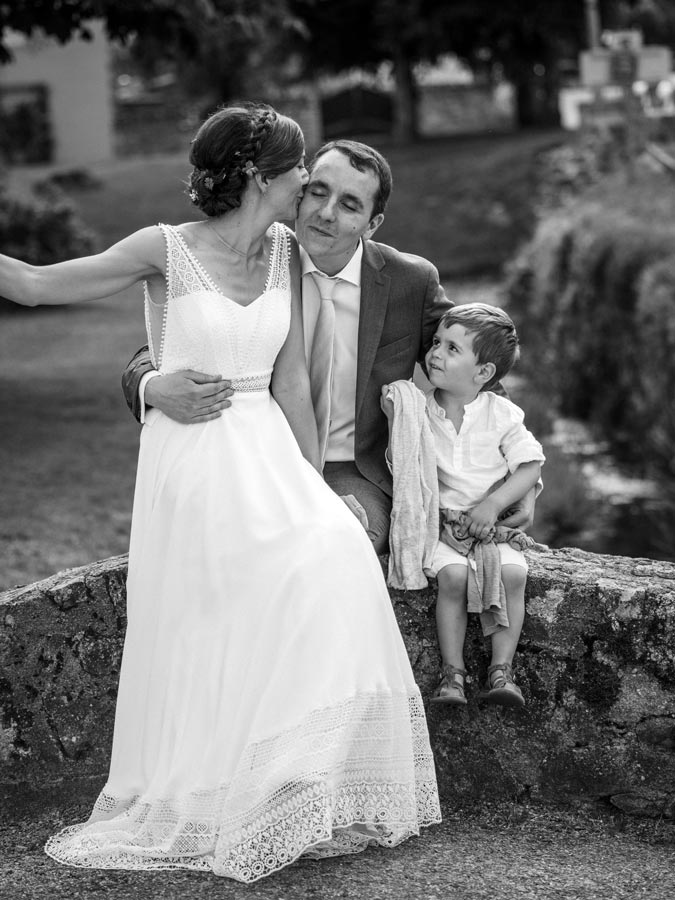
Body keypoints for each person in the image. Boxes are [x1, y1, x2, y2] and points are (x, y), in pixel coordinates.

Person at [0, 103, 441, 882]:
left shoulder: (283, 252)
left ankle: (294, 779)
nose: (307, 183)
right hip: (194, 457)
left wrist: (314, 488)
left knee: (332, 550)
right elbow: (34, 286)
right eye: (300, 169)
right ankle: (216, 790)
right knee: (226, 605)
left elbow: (291, 380)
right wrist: (154, 382)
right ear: (256, 176)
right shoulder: (163, 249)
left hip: (267, 448)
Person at [121, 139, 537, 553]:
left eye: (349, 205)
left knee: (336, 543)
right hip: (256, 457)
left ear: (372, 224)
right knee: (228, 540)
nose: (325, 213)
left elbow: (476, 371)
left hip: (352, 470)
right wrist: (150, 385)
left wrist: (519, 482)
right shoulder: (259, 260)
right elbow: (170, 342)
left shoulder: (410, 282)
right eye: (318, 193)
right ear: (300, 194)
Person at [381, 304, 545, 710]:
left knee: (513, 574)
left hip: (491, 526)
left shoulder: (501, 414)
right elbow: (404, 466)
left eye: (452, 349)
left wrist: (493, 504)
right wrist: (395, 418)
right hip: (443, 528)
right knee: (453, 578)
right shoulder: (418, 409)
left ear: (483, 372)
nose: (435, 353)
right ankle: (452, 674)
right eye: (436, 342)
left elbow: (530, 465)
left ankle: (502, 670)